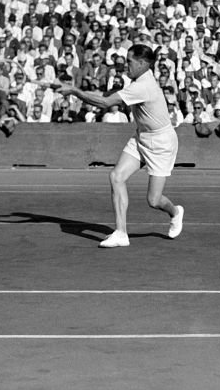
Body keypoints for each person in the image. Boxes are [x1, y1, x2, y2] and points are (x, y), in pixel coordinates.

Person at [58, 44, 183, 247]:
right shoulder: (138, 80)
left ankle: (175, 212)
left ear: (142, 63)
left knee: (153, 200)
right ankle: (121, 232)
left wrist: (74, 90)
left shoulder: (143, 86)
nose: (126, 65)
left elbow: (105, 103)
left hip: (161, 143)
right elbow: (107, 96)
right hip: (141, 137)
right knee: (116, 176)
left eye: (130, 62)